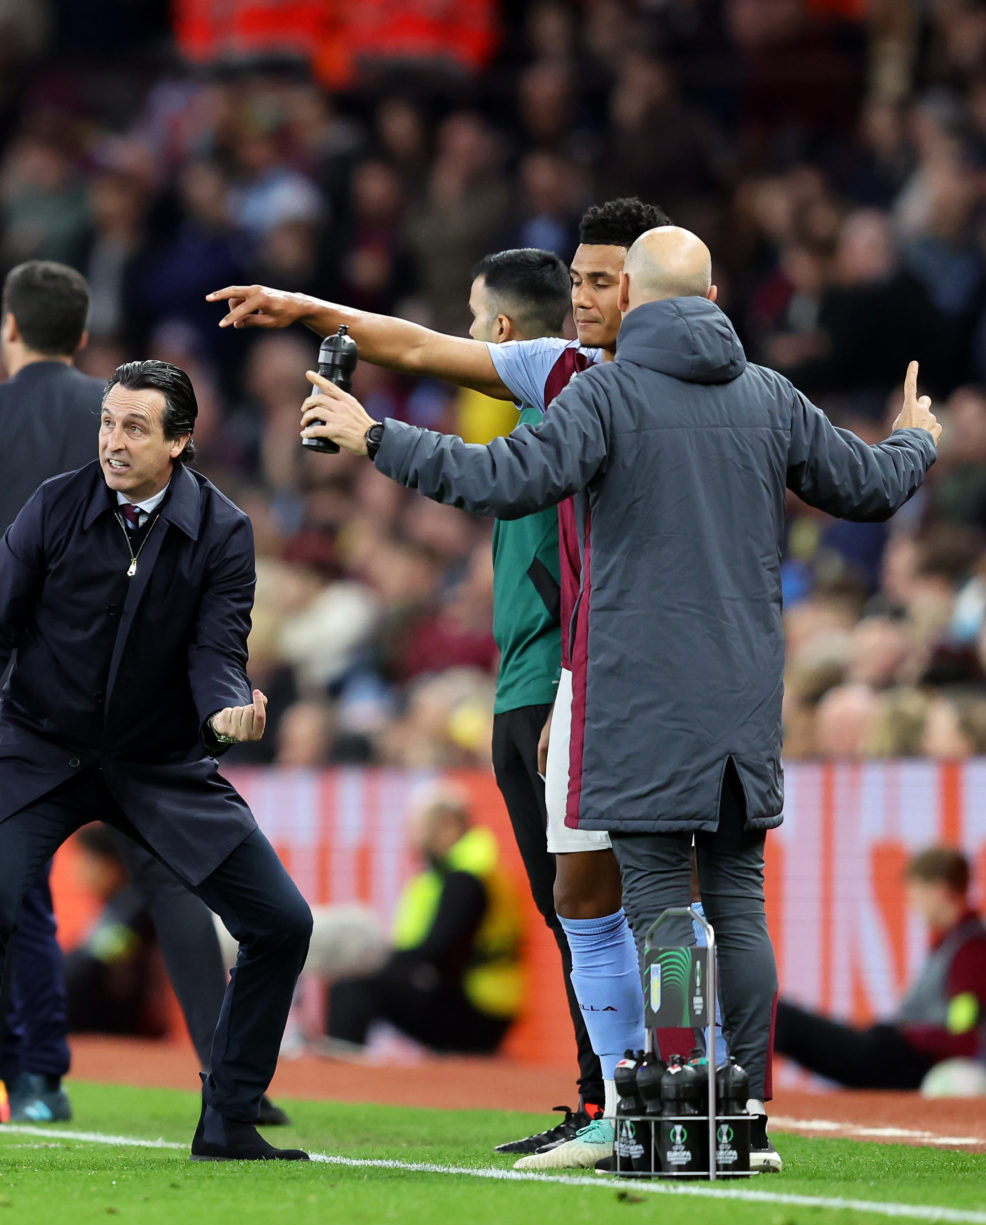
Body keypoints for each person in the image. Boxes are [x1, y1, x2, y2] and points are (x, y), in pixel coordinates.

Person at [297, 225, 941, 1173]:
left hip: (637, 694)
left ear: (633, 297)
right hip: (742, 692)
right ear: (714, 297)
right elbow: (873, 487)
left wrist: (376, 436)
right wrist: (920, 440)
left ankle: (674, 1119)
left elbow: (502, 479)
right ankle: (745, 1119)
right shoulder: (770, 396)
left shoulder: (607, 393)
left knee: (656, 905)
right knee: (736, 898)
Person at [210, 199, 676, 1161]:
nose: (464, 335)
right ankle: (609, 1098)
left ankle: (620, 1103)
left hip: (555, 689)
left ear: (505, 329)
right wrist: (305, 307)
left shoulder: (578, 396)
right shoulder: (562, 394)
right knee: (575, 904)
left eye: (474, 319)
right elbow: (416, 347)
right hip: (529, 685)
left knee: (591, 902)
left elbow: (422, 358)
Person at [0, 261, 285, 1127]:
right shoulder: (52, 503)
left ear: (179, 442)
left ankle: (230, 1111)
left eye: (135, 429)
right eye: (107, 423)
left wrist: (227, 703)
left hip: (157, 758)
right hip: (38, 746)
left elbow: (218, 649)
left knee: (281, 923)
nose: (113, 441)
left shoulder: (224, 529)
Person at [776, 847, 986, 1090]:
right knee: (784, 1018)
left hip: (914, 1061)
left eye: (916, 893)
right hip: (907, 1055)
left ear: (940, 891)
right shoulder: (957, 944)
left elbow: (962, 1033)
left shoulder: (973, 951)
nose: (913, 904)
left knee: (782, 1018)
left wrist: (902, 1035)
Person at [324, 785, 524, 1055]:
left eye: (418, 825)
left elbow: (439, 948)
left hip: (480, 1007)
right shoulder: (458, 871)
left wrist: (378, 959)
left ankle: (342, 1075)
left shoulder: (467, 878)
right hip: (477, 1001)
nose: (411, 836)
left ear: (448, 825)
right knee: (362, 979)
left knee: (356, 986)